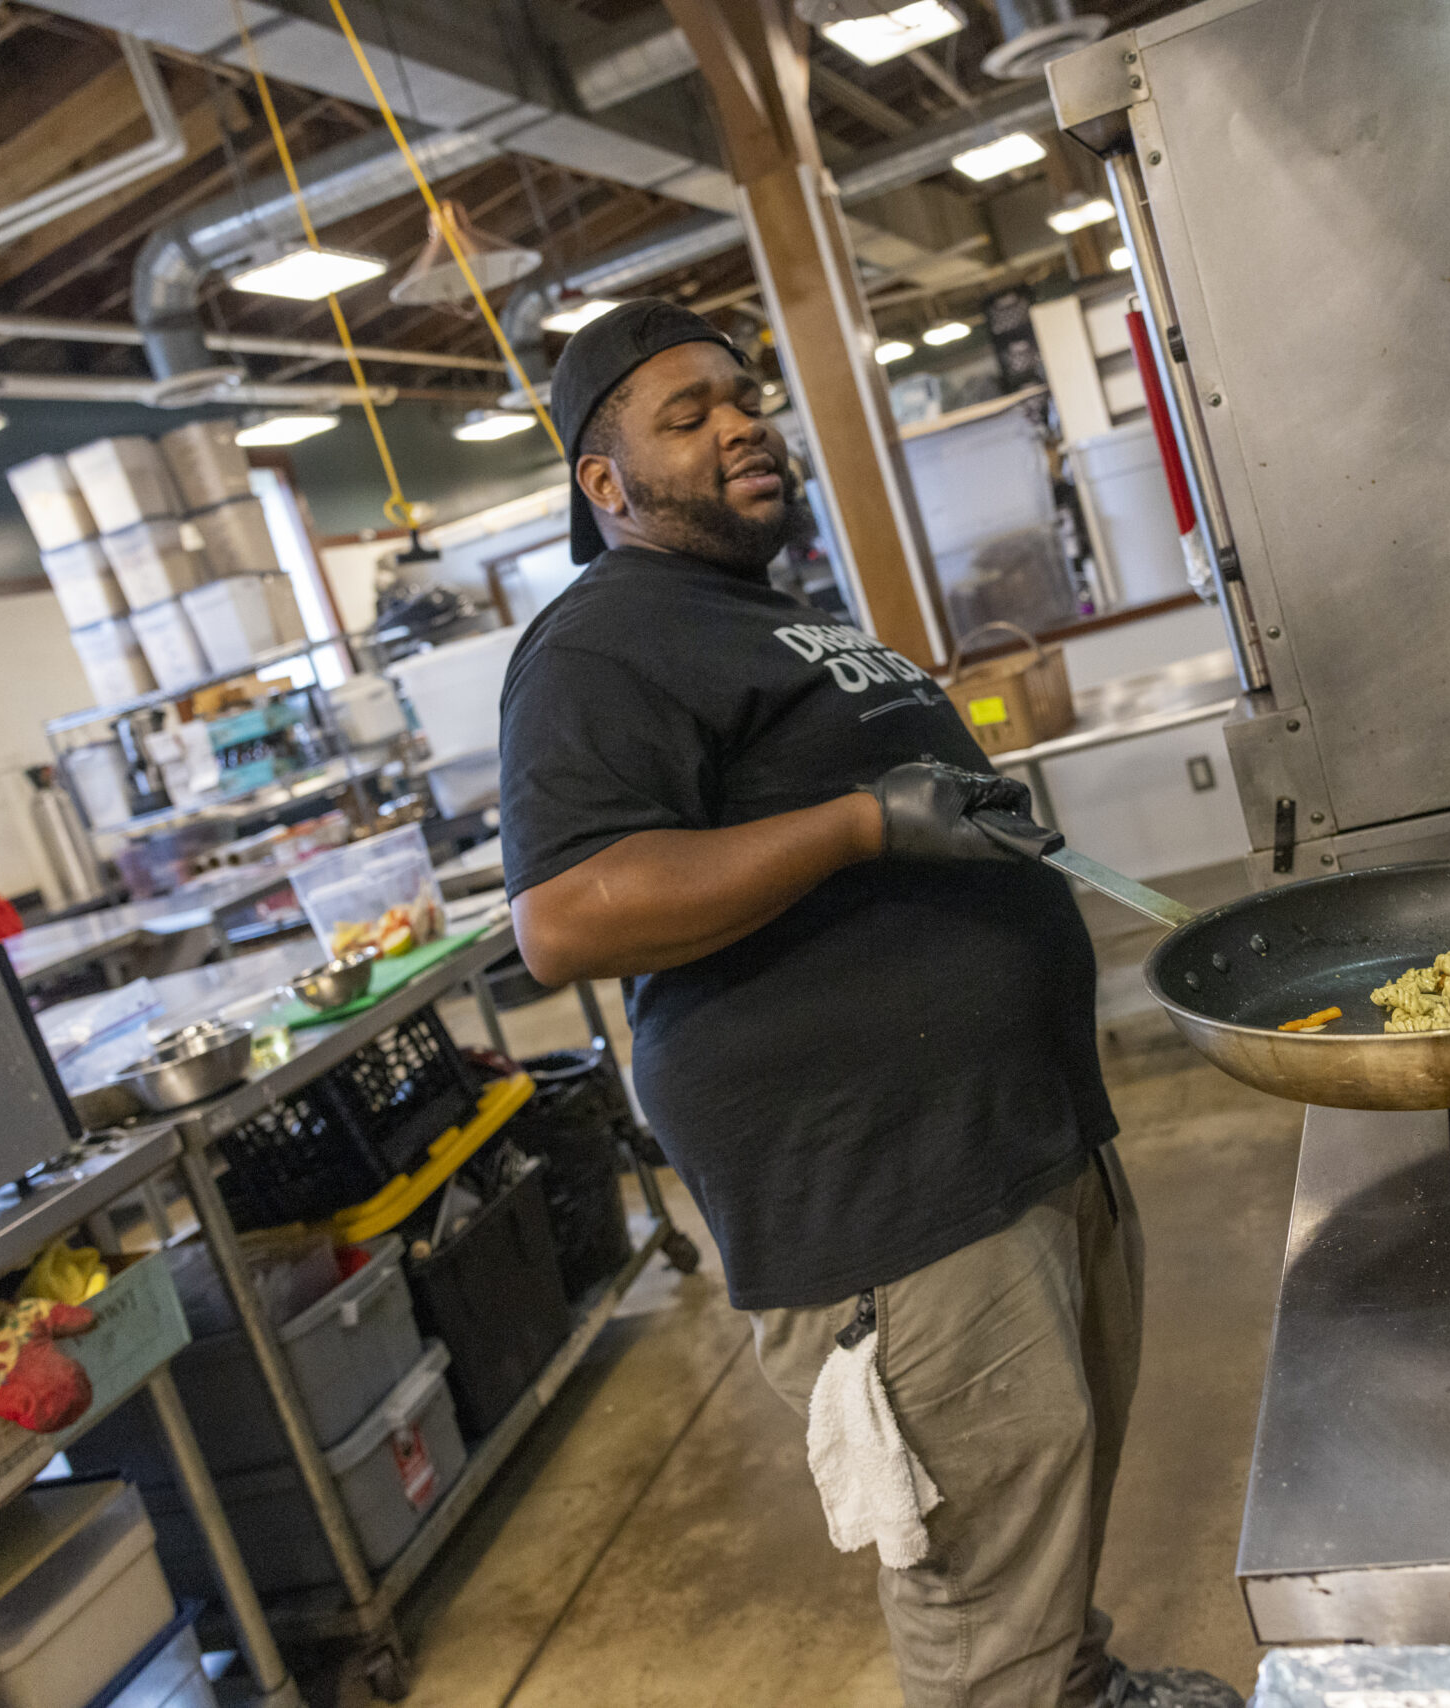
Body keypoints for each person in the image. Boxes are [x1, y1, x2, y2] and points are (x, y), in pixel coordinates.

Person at [498, 299, 1243, 1708]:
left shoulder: (768, 615)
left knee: (1036, 1512)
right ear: (606, 485)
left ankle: (1077, 1684)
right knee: (976, 1591)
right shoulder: (602, 643)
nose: (742, 423)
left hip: (1009, 1140)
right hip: (886, 1201)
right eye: (689, 414)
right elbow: (568, 914)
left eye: (742, 395)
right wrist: (864, 825)